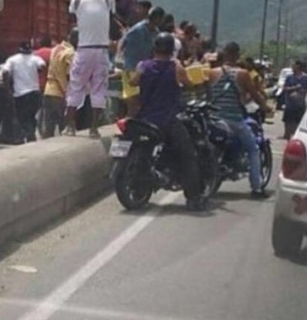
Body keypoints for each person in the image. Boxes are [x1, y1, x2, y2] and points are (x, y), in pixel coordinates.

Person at [130, 33, 205, 212]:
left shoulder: (142, 66)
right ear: (172, 50)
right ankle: (193, 198)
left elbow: (133, 81)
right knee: (188, 155)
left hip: (144, 119)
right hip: (167, 121)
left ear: (154, 48)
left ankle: (139, 184)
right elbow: (188, 84)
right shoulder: (176, 67)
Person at [207, 42, 272, 198]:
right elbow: (255, 94)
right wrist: (266, 107)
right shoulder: (242, 74)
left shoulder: (212, 73)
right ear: (237, 55)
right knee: (253, 149)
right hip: (233, 119)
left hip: (213, 119)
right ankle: (256, 188)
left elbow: (207, 94)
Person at [64, 0, 113, 138]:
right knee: (99, 90)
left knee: (76, 87)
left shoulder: (79, 1)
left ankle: (70, 127)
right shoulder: (106, 1)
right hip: (102, 51)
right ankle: (93, 129)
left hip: (84, 50)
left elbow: (72, 7)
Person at [121, 7, 165, 116]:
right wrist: (119, 58)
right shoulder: (137, 29)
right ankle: (129, 124)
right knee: (132, 99)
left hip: (144, 69)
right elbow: (122, 42)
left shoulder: (156, 32)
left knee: (140, 99)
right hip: (131, 66)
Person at [3, 42, 46, 143]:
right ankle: (29, 135)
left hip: (20, 94)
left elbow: (5, 72)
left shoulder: (12, 59)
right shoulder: (35, 58)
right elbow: (43, 66)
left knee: (21, 117)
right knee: (31, 116)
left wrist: (7, 88)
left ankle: (25, 136)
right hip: (35, 92)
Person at [42, 28, 79, 138]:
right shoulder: (71, 53)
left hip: (48, 90)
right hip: (61, 93)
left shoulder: (55, 49)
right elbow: (70, 75)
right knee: (65, 127)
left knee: (48, 129)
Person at [282, 61, 307, 139]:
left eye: (294, 67)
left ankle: (296, 136)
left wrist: (303, 91)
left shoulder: (305, 78)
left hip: (301, 103)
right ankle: (287, 135)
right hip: (290, 102)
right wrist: (294, 88)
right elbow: (284, 88)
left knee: (298, 120)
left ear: (299, 67)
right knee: (288, 120)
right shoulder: (289, 77)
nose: (293, 68)